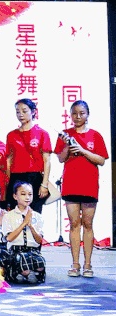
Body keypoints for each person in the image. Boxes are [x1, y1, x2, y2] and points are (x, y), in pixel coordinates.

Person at [55, 100, 108, 278]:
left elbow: (101, 160)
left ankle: (88, 264)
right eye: (74, 113)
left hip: (89, 185)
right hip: (71, 184)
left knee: (88, 224)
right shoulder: (65, 135)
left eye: (81, 113)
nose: (78, 117)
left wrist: (83, 150)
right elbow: (61, 159)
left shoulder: (95, 135)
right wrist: (67, 147)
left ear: (87, 114)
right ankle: (75, 264)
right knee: (74, 224)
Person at [4, 98, 54, 212]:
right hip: (16, 178)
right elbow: (9, 160)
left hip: (34, 178)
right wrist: (7, 182)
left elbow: (47, 161)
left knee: (34, 213)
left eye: (24, 111)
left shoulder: (42, 134)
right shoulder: (11, 135)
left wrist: (44, 184)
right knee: (15, 213)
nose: (20, 114)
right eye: (17, 112)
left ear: (33, 111)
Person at [0, 181, 46, 284]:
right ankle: (22, 273)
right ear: (15, 196)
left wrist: (31, 226)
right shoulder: (8, 216)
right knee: (22, 262)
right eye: (23, 194)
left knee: (40, 263)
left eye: (30, 194)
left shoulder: (37, 216)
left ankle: (27, 274)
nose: (27, 197)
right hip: (16, 250)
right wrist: (24, 223)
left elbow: (39, 241)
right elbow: (9, 238)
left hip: (33, 250)